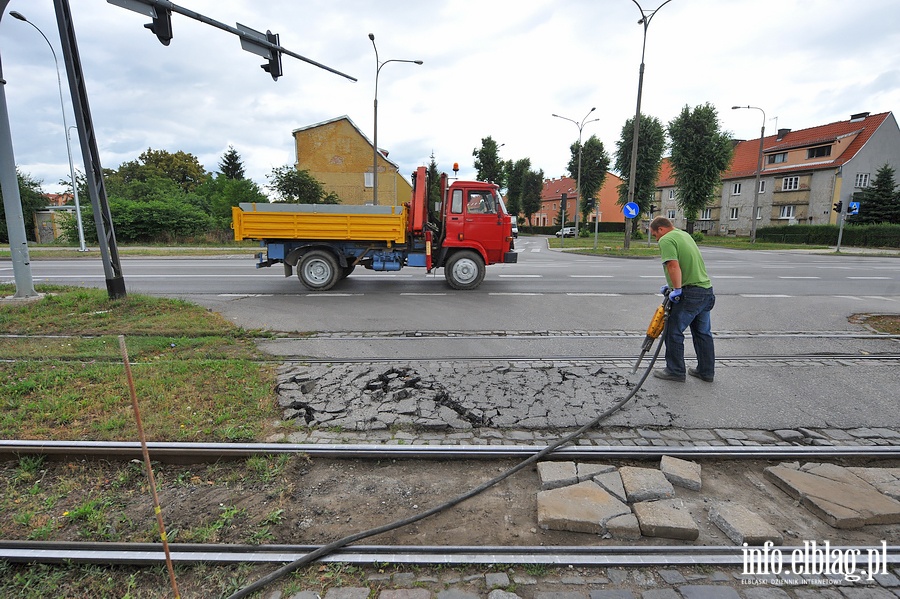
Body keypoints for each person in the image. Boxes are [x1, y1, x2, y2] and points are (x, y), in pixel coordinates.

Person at [648, 216, 716, 383]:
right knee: (703, 333)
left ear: (661, 229)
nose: (656, 239)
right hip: (705, 290)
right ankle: (706, 372)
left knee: (672, 331)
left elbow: (673, 265)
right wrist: (670, 284)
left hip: (690, 294)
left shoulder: (666, 239)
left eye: (655, 235)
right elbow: (688, 263)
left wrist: (677, 289)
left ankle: (675, 370)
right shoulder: (684, 235)